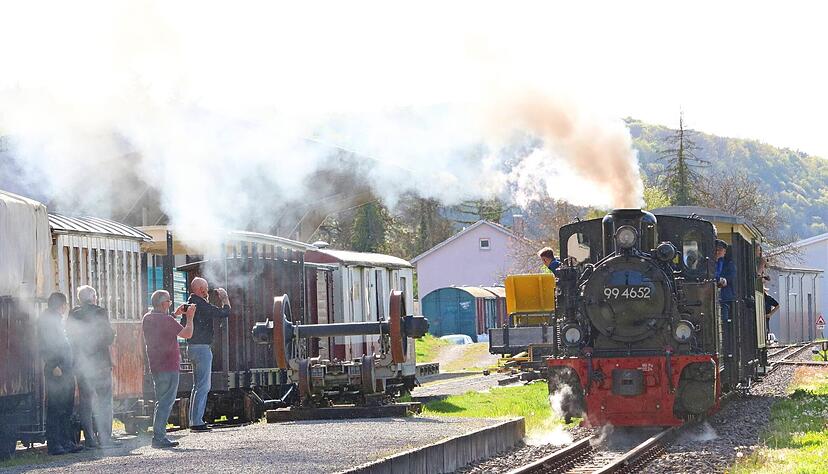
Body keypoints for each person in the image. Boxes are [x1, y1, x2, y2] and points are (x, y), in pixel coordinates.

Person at [65, 285, 118, 449]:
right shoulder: (100, 312)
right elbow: (108, 337)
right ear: (94, 297)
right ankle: (105, 438)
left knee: (85, 402)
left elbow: (69, 335)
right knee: (104, 402)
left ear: (80, 299)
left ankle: (89, 439)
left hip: (81, 364)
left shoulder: (73, 313)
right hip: (100, 363)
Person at [143, 290, 196, 448]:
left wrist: (174, 314)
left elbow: (162, 327)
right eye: (169, 301)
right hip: (169, 365)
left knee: (161, 401)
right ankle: (159, 438)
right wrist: (190, 318)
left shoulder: (148, 318)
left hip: (156, 365)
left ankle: (158, 436)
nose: (170, 303)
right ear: (162, 303)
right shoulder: (166, 320)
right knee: (166, 402)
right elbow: (187, 334)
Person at [38, 292, 83, 455]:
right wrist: (53, 364)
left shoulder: (56, 320)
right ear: (60, 305)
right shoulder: (48, 320)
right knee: (57, 408)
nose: (66, 308)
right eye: (64, 305)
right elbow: (46, 344)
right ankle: (55, 444)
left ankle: (66, 441)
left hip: (66, 369)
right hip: (58, 369)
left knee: (66, 408)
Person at [186, 277, 231, 432]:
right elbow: (224, 312)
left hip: (191, 347)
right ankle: (197, 422)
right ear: (201, 290)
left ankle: (193, 420)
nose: (207, 292)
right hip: (202, 348)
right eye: (205, 289)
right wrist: (225, 298)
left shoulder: (189, 303)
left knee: (196, 386)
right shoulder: (201, 304)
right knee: (203, 386)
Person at [714, 239, 737, 322]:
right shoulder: (707, 262)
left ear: (724, 251)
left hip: (724, 296)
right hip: (709, 293)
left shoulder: (729, 263)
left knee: (724, 318)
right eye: (716, 250)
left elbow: (732, 276)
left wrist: (725, 280)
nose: (717, 252)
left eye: (719, 250)